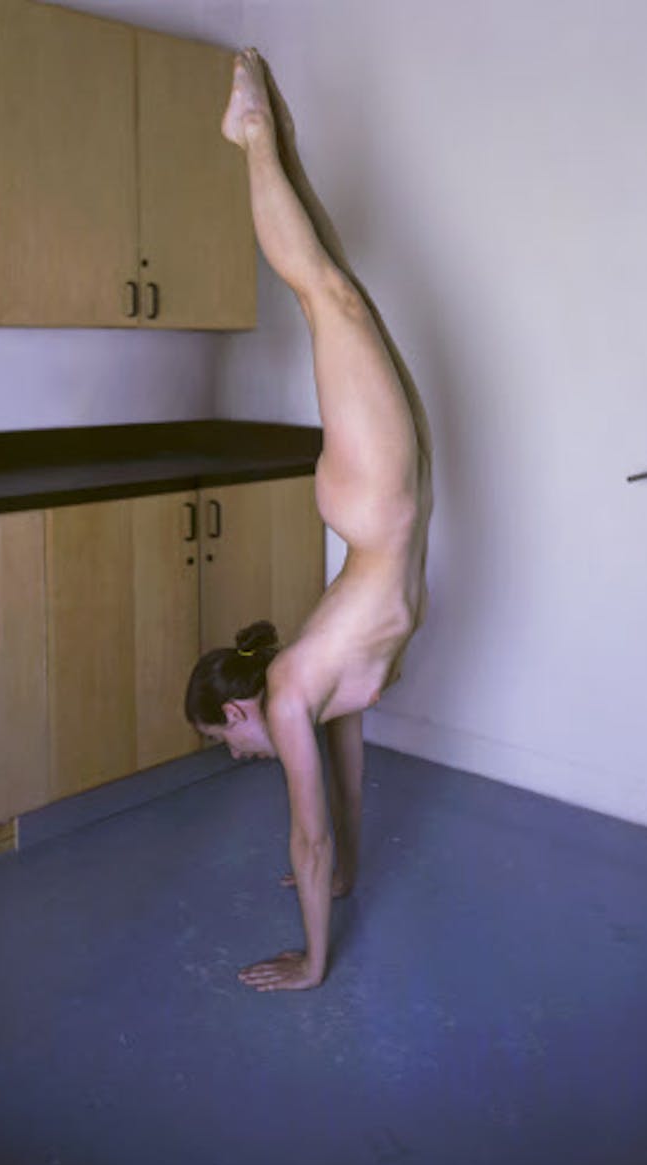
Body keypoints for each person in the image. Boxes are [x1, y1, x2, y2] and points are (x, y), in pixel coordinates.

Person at [184, 48, 433, 992]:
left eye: (229, 743)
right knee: (337, 293)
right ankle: (269, 136)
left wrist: (309, 961)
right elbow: (344, 801)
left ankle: (255, 133)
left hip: (377, 501)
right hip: (389, 502)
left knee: (328, 297)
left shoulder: (290, 693)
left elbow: (307, 832)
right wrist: (344, 880)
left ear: (238, 711)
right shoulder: (318, 697)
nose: (243, 753)